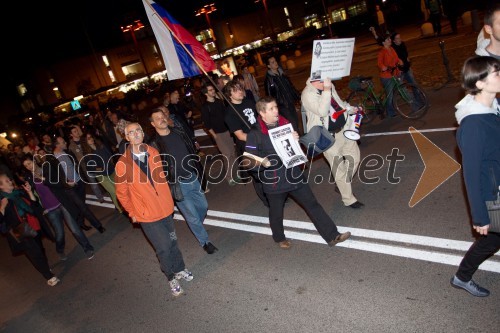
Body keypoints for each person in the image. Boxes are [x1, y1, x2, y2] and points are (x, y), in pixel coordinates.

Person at [245, 97, 351, 249]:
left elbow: (293, 148)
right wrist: (263, 163)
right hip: (274, 180)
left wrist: (296, 139)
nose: (276, 111)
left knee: (312, 204)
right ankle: (279, 237)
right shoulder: (255, 133)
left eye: (276, 107)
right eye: (271, 109)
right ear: (262, 113)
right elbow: (249, 160)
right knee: (276, 212)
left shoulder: (284, 123)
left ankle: (332, 235)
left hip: (293, 175)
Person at [115, 122, 193, 297]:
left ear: (143, 133)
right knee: (163, 247)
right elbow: (122, 193)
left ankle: (180, 268)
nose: (136, 134)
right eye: (131, 132)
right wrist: (133, 213)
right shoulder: (122, 164)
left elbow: (161, 179)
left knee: (173, 241)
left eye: (138, 131)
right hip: (146, 214)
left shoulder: (153, 152)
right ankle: (171, 276)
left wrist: (169, 200)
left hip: (165, 208)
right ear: (126, 137)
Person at [450, 56, 500, 297]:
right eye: (496, 73)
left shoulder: (494, 107)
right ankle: (462, 276)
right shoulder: (473, 124)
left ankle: (462, 276)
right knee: (491, 240)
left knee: (494, 240)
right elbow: (470, 174)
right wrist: (480, 217)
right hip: (493, 193)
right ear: (480, 83)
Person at [147, 110, 218, 254]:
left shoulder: (178, 132)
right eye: (157, 118)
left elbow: (191, 150)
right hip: (178, 184)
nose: (162, 119)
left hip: (193, 176)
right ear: (153, 124)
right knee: (192, 216)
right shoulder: (153, 144)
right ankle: (205, 241)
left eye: (163, 116)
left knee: (203, 206)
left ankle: (196, 225)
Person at [301, 77, 364, 209]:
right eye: (322, 78)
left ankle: (341, 184)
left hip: (345, 130)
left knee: (355, 159)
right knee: (339, 168)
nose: (326, 79)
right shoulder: (307, 94)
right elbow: (323, 111)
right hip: (328, 138)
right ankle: (348, 199)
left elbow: (339, 104)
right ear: (314, 79)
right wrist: (327, 89)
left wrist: (351, 109)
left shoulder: (329, 85)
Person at [21, 155, 95, 261]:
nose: (28, 166)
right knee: (59, 233)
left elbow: (58, 182)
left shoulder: (45, 169)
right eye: (25, 166)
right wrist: (29, 192)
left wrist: (43, 178)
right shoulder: (29, 179)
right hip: (50, 209)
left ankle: (87, 248)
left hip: (61, 203)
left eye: (29, 163)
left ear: (33, 161)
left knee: (74, 229)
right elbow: (34, 200)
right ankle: (60, 250)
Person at [0, 173, 60, 286]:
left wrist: (29, 192)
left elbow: (35, 205)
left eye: (9, 179)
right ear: (1, 186)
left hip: (33, 225)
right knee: (34, 253)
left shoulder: (19, 193)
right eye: (7, 181)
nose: (10, 181)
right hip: (20, 231)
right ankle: (49, 276)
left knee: (40, 249)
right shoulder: (2, 201)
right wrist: (2, 207)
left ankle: (45, 267)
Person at [224, 80, 268, 206]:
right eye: (235, 89)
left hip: (262, 139)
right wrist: (258, 139)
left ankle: (276, 195)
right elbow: (240, 135)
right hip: (248, 146)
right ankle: (266, 199)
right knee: (258, 174)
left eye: (240, 88)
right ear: (229, 95)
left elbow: (259, 120)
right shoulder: (229, 112)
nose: (240, 91)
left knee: (269, 168)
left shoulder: (249, 102)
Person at [201, 83, 239, 186]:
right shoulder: (205, 107)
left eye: (213, 89)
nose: (213, 91)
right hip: (218, 134)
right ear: (205, 93)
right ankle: (229, 177)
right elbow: (207, 124)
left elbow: (226, 115)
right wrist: (214, 136)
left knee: (232, 153)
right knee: (226, 154)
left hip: (227, 131)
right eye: (210, 90)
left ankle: (236, 174)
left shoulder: (219, 102)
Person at [264, 56, 301, 132]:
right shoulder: (269, 79)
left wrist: (299, 97)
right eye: (272, 62)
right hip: (281, 106)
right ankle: (297, 140)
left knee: (296, 122)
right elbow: (269, 96)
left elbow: (291, 87)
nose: (275, 63)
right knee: (292, 123)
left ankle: (297, 139)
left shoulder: (282, 74)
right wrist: (274, 107)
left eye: (275, 61)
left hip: (290, 102)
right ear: (269, 66)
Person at [377, 33, 403, 118]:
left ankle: (392, 108)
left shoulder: (391, 49)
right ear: (384, 42)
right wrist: (383, 67)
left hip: (394, 73)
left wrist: (399, 61)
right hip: (386, 76)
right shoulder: (382, 52)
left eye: (389, 39)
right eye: (388, 39)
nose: (390, 40)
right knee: (390, 95)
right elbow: (379, 63)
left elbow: (396, 58)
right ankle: (390, 112)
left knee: (397, 90)